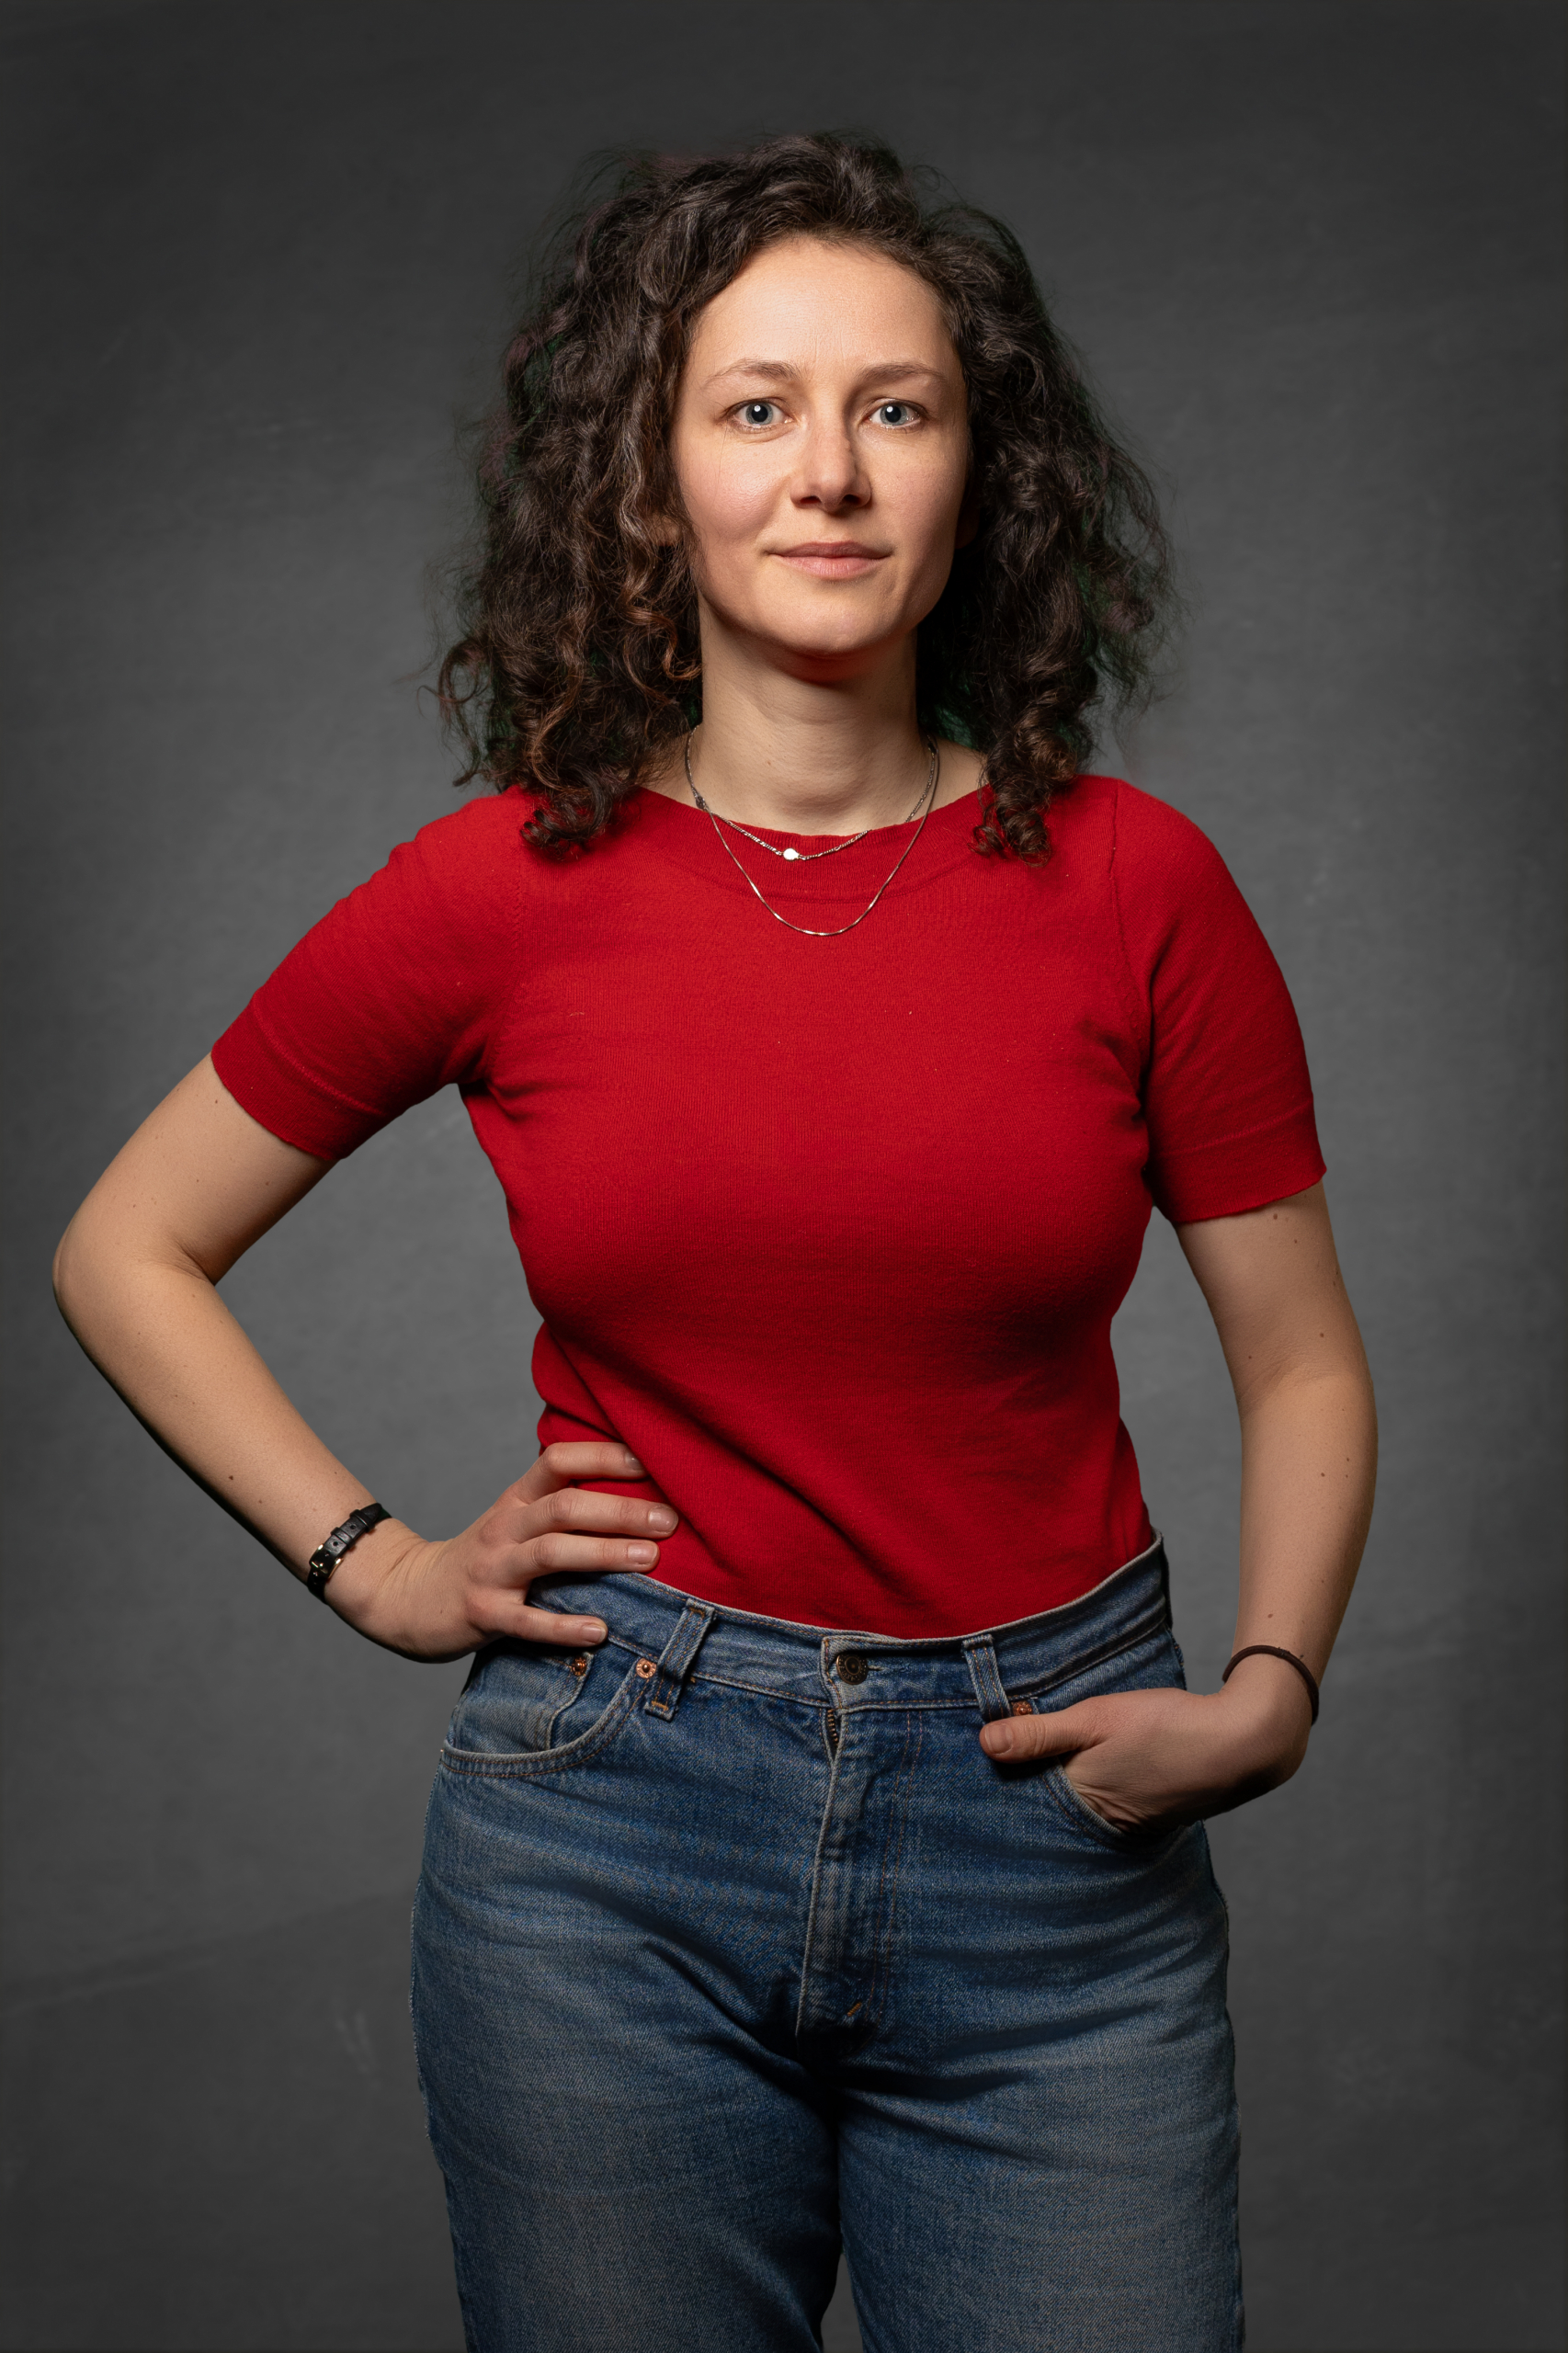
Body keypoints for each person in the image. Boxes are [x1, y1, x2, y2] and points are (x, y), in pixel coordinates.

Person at [53, 134, 1376, 2353]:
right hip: (609, 1848)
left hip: (1050, 1834)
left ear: (977, 474)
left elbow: (1303, 1354)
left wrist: (1274, 1685)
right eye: (757, 406)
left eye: (895, 406)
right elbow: (127, 1243)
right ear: (651, 483)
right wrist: (375, 1563)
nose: (829, 472)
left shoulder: (1140, 885)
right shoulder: (497, 890)